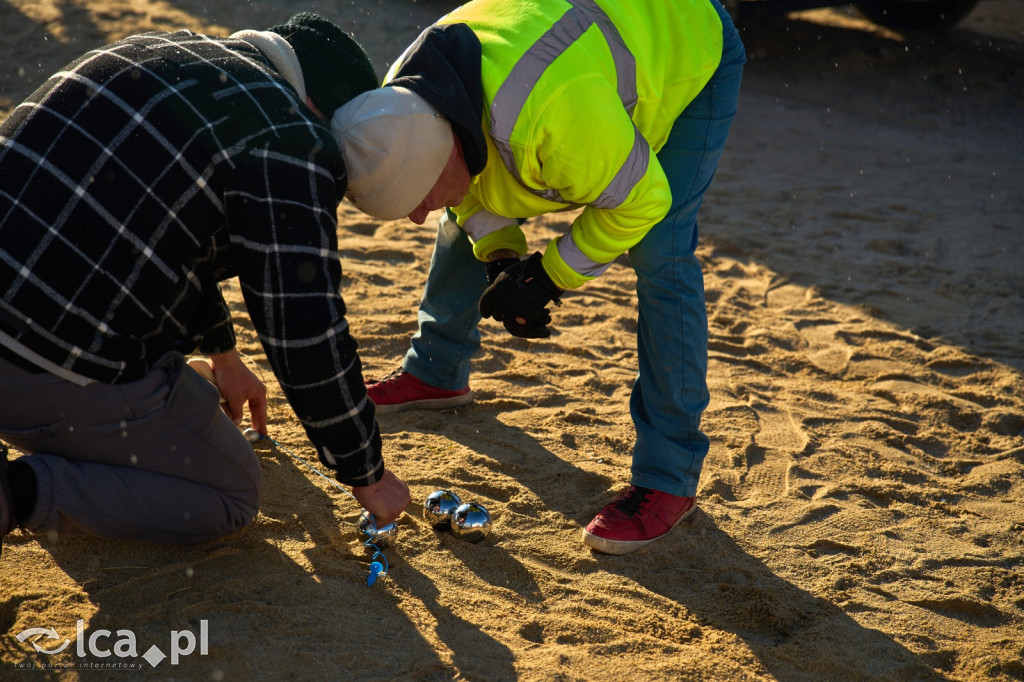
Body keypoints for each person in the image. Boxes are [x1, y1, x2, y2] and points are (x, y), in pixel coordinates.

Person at [330, 0, 745, 554]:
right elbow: (464, 186)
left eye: (417, 196)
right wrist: (502, 257)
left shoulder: (553, 116)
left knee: (660, 252)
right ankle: (437, 370)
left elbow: (640, 201)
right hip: (570, 63)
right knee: (456, 210)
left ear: (445, 148)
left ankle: (669, 478)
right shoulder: (402, 107)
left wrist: (549, 277)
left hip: (685, 39)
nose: (415, 215)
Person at [0, 12, 411, 553]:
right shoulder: (289, 133)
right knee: (229, 492)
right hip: (37, 366)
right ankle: (16, 492)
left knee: (181, 375)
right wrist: (367, 474)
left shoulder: (163, 51)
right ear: (324, 114)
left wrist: (224, 354)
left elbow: (161, 230)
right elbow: (303, 328)